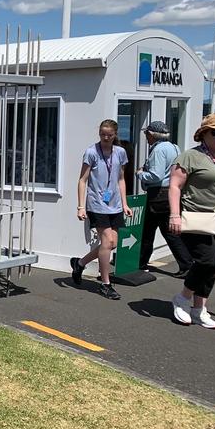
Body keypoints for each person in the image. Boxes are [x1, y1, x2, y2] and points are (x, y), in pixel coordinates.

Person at [168, 114, 215, 329]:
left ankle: (199, 308)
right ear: (204, 134)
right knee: (207, 262)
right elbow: (174, 186)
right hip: (197, 217)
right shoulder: (191, 156)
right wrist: (174, 215)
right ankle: (183, 298)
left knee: (213, 268)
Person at [70, 119, 133, 300]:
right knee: (106, 242)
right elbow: (82, 180)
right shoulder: (91, 152)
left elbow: (121, 179)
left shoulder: (120, 152)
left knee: (112, 243)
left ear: (115, 134)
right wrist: (81, 206)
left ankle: (80, 263)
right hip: (97, 204)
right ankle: (106, 284)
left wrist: (125, 203)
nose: (106, 138)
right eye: (102, 134)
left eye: (109, 135)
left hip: (115, 204)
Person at [136, 121, 192, 277]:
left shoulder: (158, 150)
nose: (146, 137)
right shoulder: (174, 147)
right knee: (165, 231)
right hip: (170, 194)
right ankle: (186, 264)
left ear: (153, 135)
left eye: (147, 134)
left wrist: (139, 173)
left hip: (157, 195)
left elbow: (156, 175)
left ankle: (141, 263)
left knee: (151, 231)